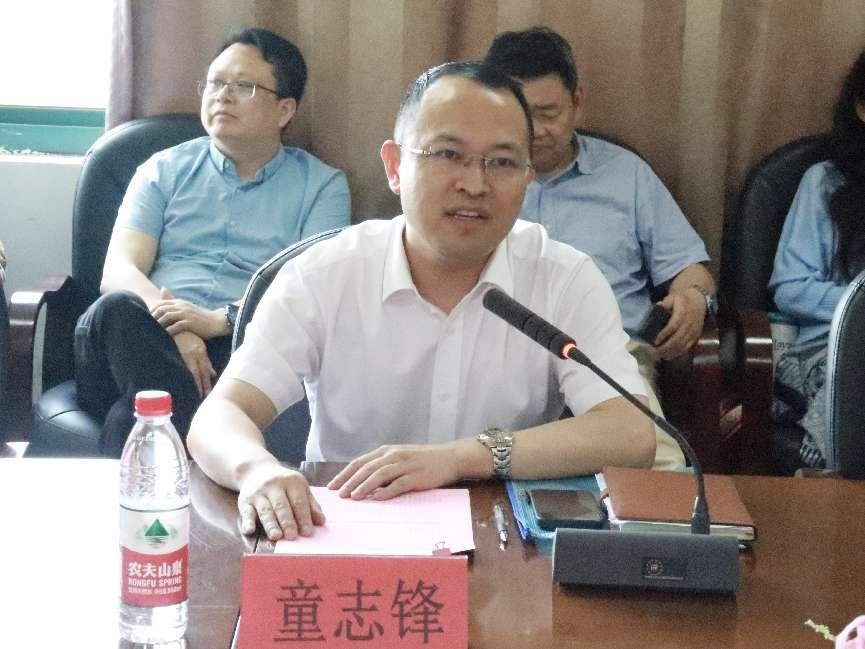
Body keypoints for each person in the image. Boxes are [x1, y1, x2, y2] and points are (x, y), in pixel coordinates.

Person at [189, 60, 656, 542]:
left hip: (506, 541)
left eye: (502, 162)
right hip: (348, 532)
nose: (475, 184)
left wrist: (463, 457)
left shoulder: (563, 277)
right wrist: (257, 471)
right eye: (448, 154)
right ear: (395, 166)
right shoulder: (325, 274)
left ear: (527, 178)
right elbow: (220, 416)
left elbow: (630, 432)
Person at [75, 28, 350, 457]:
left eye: (243, 86)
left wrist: (219, 320)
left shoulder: (322, 187)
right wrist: (177, 330)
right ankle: (202, 438)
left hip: (237, 347)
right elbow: (119, 271)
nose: (222, 96)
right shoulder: (162, 169)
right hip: (133, 333)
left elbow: (313, 292)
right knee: (117, 310)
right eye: (215, 83)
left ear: (284, 110)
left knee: (134, 412)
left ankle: (156, 460)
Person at [484, 27, 717, 469]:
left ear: (577, 102)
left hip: (609, 354)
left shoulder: (627, 175)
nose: (535, 131)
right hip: (496, 354)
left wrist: (693, 297)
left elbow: (690, 267)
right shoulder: (474, 178)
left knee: (663, 473)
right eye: (520, 114)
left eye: (548, 113)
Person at [769, 49, 865, 469]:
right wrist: (858, 309)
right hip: (829, 349)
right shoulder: (825, 182)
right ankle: (832, 486)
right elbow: (792, 288)